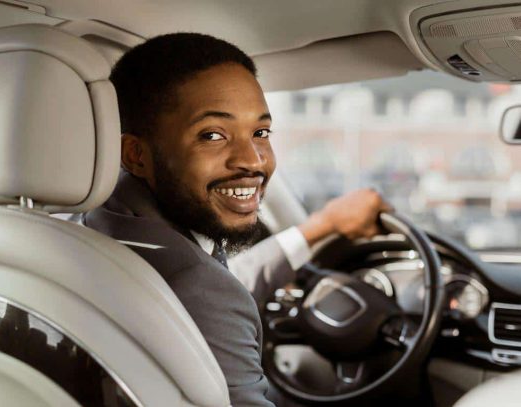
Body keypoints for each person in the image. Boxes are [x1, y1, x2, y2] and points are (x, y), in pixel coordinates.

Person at [83, 33, 390, 406]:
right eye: (212, 135)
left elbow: (217, 286)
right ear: (135, 154)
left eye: (260, 132)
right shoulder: (199, 290)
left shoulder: (95, 223)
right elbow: (209, 293)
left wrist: (319, 228)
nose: (254, 160)